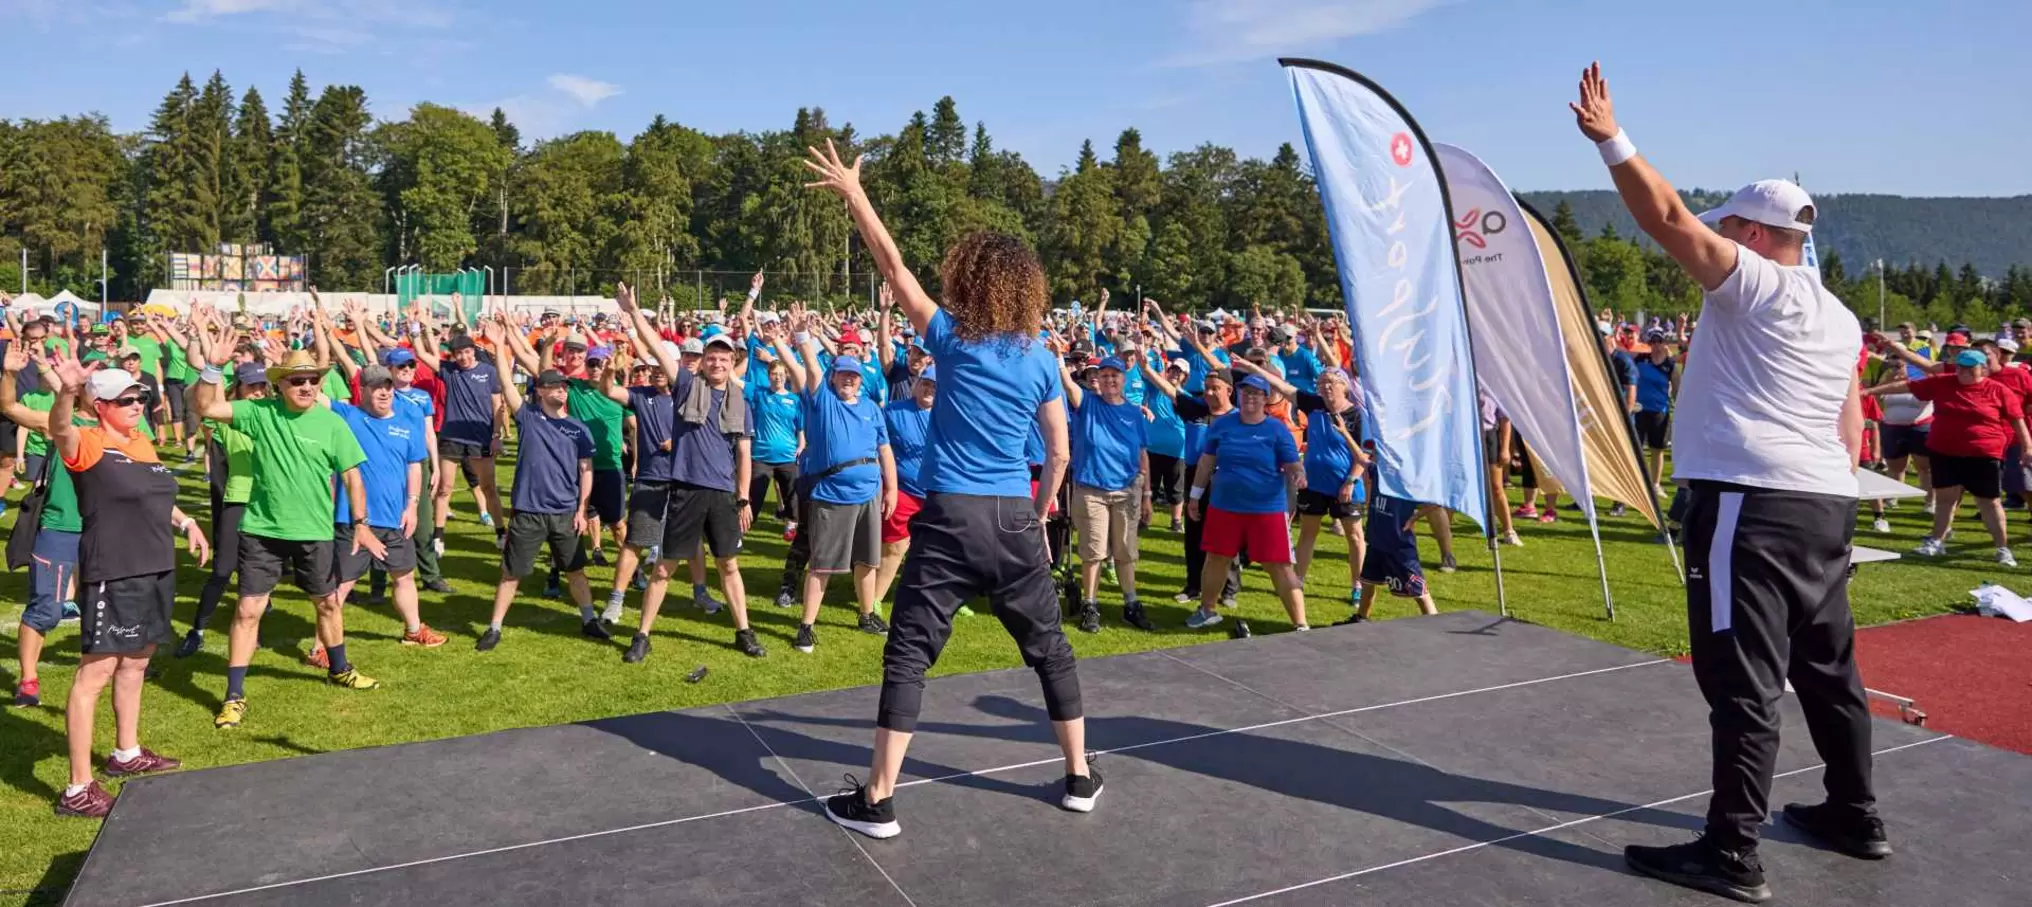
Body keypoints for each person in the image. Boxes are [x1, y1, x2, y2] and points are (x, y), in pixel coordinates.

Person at [1573, 63, 1886, 903]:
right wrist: (1838, 493)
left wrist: (1612, 139)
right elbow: (1849, 421)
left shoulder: (1757, 288)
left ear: (1751, 235)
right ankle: (1855, 813)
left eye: (1729, 230)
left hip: (1749, 499)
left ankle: (1731, 850)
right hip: (1824, 498)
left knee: (1742, 676)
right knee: (1827, 666)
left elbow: (1670, 219)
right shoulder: (1841, 314)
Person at [806, 139, 1097, 839]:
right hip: (1012, 516)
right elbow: (1058, 449)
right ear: (1027, 289)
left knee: (909, 651)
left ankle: (879, 798)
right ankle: (1080, 775)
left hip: (949, 515)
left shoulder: (952, 340)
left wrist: (855, 194)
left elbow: (892, 264)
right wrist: (1038, 508)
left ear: (970, 282)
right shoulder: (1039, 359)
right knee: (1050, 647)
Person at [193, 336, 385, 731]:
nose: (307, 387)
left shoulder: (332, 423)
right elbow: (208, 406)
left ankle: (339, 668)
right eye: (298, 381)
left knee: (328, 605)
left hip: (314, 531)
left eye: (313, 380)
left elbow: (352, 475)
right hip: (261, 531)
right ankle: (234, 696)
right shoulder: (259, 413)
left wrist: (361, 524)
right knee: (248, 611)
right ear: (280, 384)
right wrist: (212, 368)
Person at [47, 351, 209, 816]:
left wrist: (186, 522)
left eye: (139, 397)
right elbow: (60, 430)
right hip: (113, 569)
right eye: (124, 400)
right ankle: (77, 787)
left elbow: (153, 493)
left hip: (154, 565)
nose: (136, 405)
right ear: (99, 405)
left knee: (137, 663)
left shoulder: (140, 442)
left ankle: (126, 753)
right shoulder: (88, 442)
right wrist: (66, 390)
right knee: (94, 674)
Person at [617, 285, 767, 662]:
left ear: (732, 363)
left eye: (723, 358)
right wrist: (635, 313)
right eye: (711, 357)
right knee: (665, 568)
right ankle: (642, 634)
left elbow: (744, 455)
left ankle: (743, 632)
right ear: (701, 361)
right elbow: (654, 347)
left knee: (728, 566)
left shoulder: (740, 402)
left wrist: (744, 496)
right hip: (685, 490)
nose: (717, 363)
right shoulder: (686, 386)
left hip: (722, 494)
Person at [474, 319, 604, 652]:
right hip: (529, 512)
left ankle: (590, 620)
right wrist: (499, 347)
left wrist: (581, 510)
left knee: (576, 571)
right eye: (555, 387)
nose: (561, 390)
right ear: (542, 391)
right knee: (511, 574)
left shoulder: (579, 429)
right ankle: (494, 627)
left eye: (564, 387)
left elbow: (586, 471)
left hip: (565, 514)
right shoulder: (528, 417)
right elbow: (505, 382)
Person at [780, 311, 896, 653]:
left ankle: (866, 614)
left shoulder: (872, 409)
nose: (849, 380)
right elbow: (812, 370)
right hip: (832, 494)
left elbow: (885, 450)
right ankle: (806, 625)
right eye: (844, 375)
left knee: (868, 560)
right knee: (823, 564)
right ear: (834, 377)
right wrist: (802, 338)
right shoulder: (822, 400)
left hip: (870, 493)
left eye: (854, 376)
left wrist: (891, 488)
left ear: (861, 380)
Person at [1867, 349, 2032, 563]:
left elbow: (2017, 420)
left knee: (1989, 502)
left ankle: (2002, 549)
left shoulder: (1997, 390)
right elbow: (1906, 386)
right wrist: (1869, 391)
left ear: (1982, 369)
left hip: (1983, 453)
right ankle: (1937, 541)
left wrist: (2027, 448)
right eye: (1960, 366)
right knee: (1945, 500)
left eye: (1969, 367)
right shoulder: (1943, 382)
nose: (1963, 371)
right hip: (1945, 451)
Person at [326, 364, 445, 647]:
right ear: (363, 391)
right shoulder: (349, 416)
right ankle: (320, 647)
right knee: (340, 587)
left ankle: (414, 631)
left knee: (404, 576)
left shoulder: (407, 424)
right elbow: (312, 395)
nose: (384, 392)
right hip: (356, 521)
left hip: (396, 520)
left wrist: (413, 505)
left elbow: (415, 466)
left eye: (388, 387)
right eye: (377, 387)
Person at [1184, 375, 1308, 632]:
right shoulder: (1223, 425)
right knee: (1216, 557)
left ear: (1265, 398)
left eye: (1256, 393)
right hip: (1224, 506)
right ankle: (1207, 610)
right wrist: (1195, 496)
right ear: (1237, 395)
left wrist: (1298, 474)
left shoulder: (1276, 429)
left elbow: (1292, 463)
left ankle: (1300, 624)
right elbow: (1207, 462)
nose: (1250, 397)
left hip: (1267, 509)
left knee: (1280, 565)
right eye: (1245, 392)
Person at [1, 345, 85, 708]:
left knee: (112, 606)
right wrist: (10, 375)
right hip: (60, 527)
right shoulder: (63, 426)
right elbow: (11, 408)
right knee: (46, 609)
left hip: (108, 531)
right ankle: (29, 680)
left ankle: (116, 668)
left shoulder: (127, 432)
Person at [1059, 354, 1152, 632]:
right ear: (1097, 379)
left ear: (1124, 379)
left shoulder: (1135, 413)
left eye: (1115, 375)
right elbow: (1068, 386)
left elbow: (1142, 453)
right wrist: (1059, 362)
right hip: (1092, 491)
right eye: (1105, 375)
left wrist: (1147, 494)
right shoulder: (1088, 404)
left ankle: (1131, 604)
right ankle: (1090, 605)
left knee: (1125, 551)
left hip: (1127, 490)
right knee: (1093, 552)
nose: (1110, 380)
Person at [412, 327, 507, 548]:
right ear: (453, 355)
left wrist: (496, 435)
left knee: (488, 488)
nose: (463, 357)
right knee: (444, 488)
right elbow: (422, 354)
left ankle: (501, 532)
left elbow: (497, 406)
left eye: (466, 352)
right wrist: (416, 328)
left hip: (481, 439)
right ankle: (438, 535)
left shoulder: (488, 371)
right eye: (458, 354)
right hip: (452, 437)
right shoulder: (449, 370)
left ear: (473, 351)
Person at [875, 362, 934, 605]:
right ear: (917, 385)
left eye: (935, 386)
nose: (930, 390)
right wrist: (886, 484)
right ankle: (875, 599)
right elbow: (877, 445)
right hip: (903, 490)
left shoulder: (949, 415)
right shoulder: (894, 411)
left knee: (937, 549)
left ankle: (937, 597)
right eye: (926, 384)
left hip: (937, 491)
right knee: (895, 546)